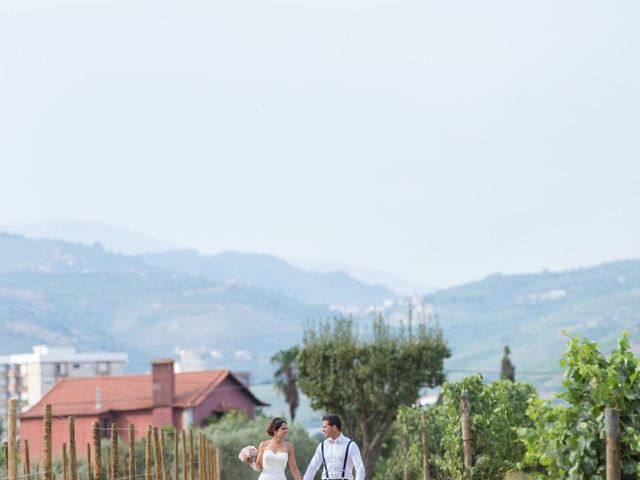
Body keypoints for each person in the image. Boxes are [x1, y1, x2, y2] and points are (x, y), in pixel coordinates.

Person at [302, 414, 365, 480]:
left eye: (325, 427)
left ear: (334, 427)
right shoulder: (322, 446)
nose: (322, 430)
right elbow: (312, 467)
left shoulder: (351, 445)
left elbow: (359, 468)